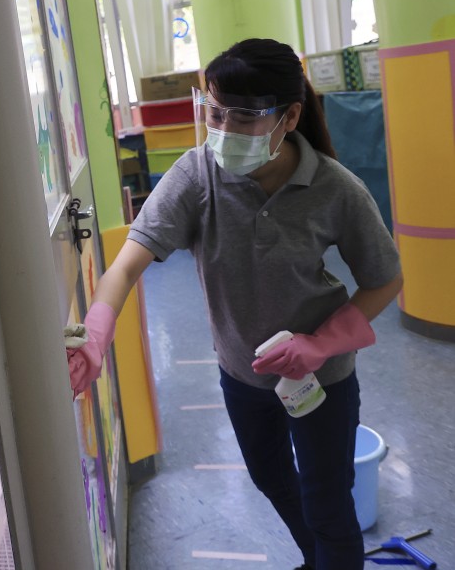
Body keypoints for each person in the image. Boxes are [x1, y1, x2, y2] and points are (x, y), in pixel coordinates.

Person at [67, 38, 403, 570]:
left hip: (322, 380)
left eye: (245, 117)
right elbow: (126, 264)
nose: (223, 130)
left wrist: (321, 344)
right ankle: (319, 559)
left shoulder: (336, 189)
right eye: (215, 112)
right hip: (242, 376)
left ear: (289, 117)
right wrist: (96, 334)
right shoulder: (197, 175)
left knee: (328, 501)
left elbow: (385, 280)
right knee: (271, 477)